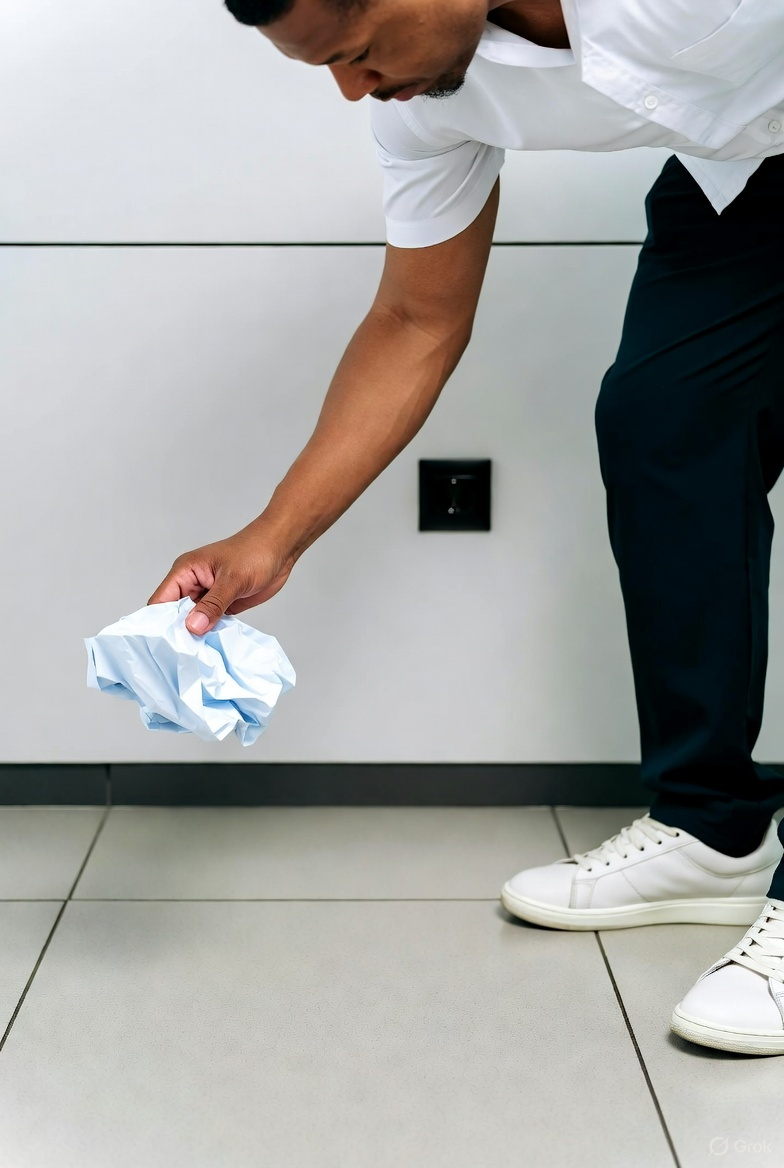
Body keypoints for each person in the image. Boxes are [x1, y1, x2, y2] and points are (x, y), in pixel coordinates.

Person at [147, 0, 784, 1055]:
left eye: (353, 54)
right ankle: (709, 824)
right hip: (747, 172)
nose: (351, 91)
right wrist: (272, 537)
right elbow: (415, 319)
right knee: (664, 422)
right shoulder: (425, 97)